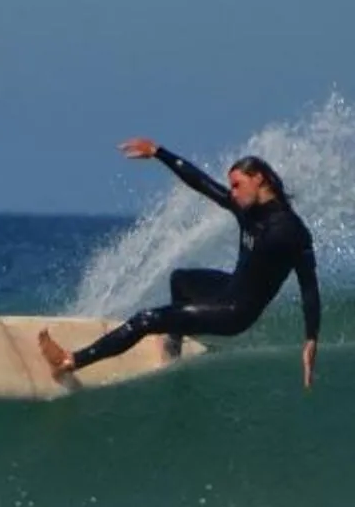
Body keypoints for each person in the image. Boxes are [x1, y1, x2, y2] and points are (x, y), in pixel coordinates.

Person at [39, 140, 321, 389]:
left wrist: (310, 339)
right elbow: (203, 184)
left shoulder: (289, 231)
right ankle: (174, 345)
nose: (232, 192)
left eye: (237, 184)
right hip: (230, 287)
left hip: (235, 313)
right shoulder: (248, 210)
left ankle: (70, 361)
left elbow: (309, 286)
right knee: (180, 280)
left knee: (146, 320)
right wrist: (159, 152)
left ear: (258, 179)